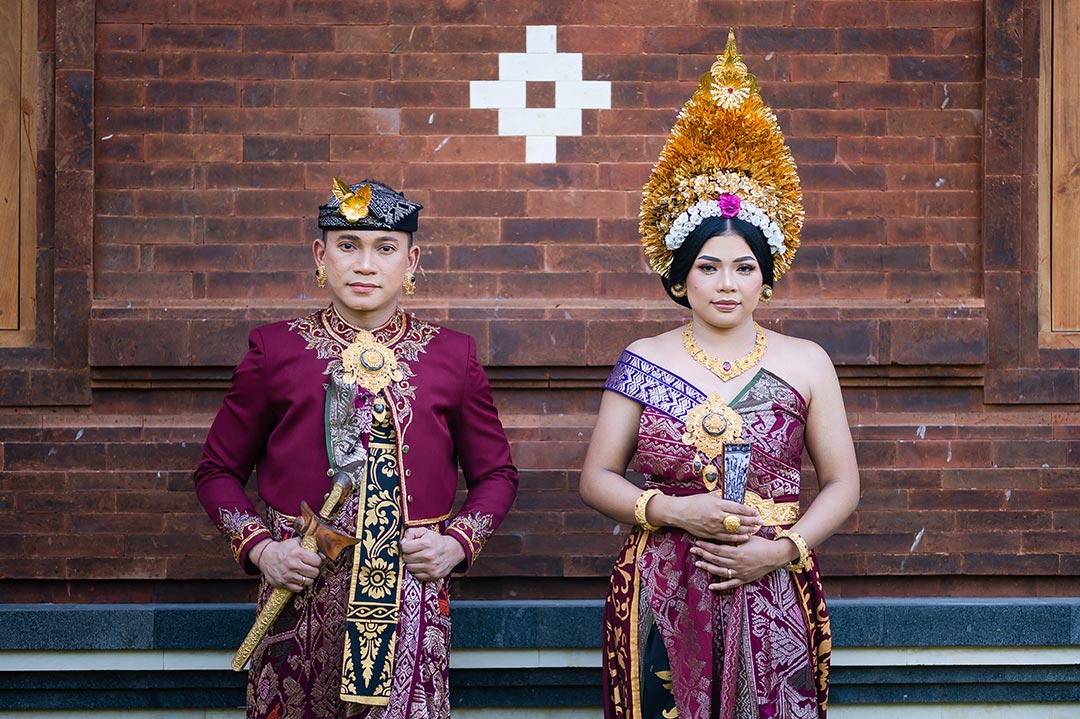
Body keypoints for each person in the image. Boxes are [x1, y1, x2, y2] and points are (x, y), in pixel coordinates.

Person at [579, 32, 859, 719]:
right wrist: (673, 511)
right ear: (681, 277)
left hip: (773, 579)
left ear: (767, 276)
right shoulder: (644, 357)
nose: (727, 283)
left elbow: (843, 483)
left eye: (744, 267)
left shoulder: (806, 360)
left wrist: (783, 550)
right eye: (708, 266)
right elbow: (596, 478)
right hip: (661, 583)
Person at [193, 178, 518, 719]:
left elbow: (497, 476)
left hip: (410, 599)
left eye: (385, 248)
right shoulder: (276, 349)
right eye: (348, 245)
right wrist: (262, 551)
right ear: (321, 255)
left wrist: (457, 544)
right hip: (300, 593)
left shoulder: (451, 355)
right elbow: (216, 471)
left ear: (411, 261)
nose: (365, 265)